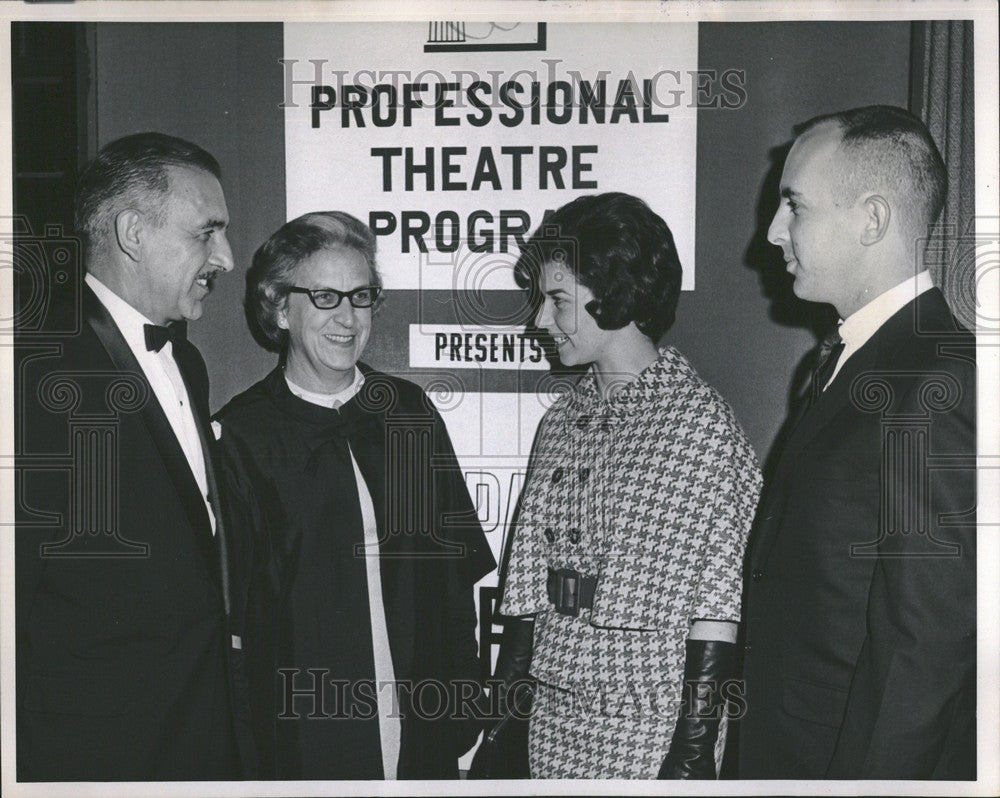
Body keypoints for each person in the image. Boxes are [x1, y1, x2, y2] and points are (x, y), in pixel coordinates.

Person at [215, 211, 496, 780]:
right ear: (278, 307)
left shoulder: (409, 413)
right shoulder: (241, 435)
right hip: (303, 734)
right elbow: (234, 630)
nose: (347, 317)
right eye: (324, 297)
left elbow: (451, 582)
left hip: (421, 723)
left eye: (361, 295)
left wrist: (464, 721)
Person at [739, 106, 976, 779]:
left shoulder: (940, 380)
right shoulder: (840, 364)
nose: (773, 232)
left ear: (872, 220)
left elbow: (922, 652)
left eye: (795, 207)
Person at [490, 192, 761, 779]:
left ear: (613, 295)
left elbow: (719, 605)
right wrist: (506, 713)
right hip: (552, 714)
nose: (540, 320)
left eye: (558, 299)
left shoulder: (698, 423)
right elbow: (526, 583)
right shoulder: (561, 421)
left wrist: (693, 746)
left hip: (649, 723)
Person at [15, 132, 253, 780]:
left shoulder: (190, 365)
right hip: (93, 763)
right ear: (132, 233)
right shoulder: (35, 374)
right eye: (207, 233)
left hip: (199, 744)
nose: (227, 258)